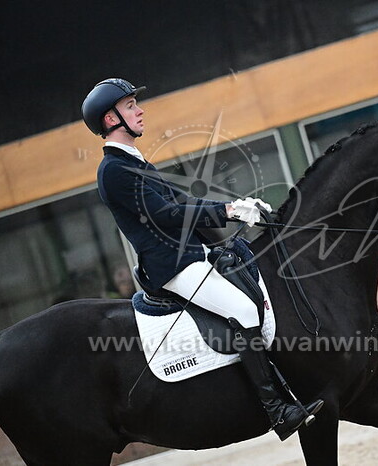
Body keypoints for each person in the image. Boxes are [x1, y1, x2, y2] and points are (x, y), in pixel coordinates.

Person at [81, 78, 322, 440]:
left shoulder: (133, 161)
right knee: (244, 310)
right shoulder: (114, 170)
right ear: (111, 119)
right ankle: (277, 410)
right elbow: (164, 214)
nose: (140, 111)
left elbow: (183, 203)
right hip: (173, 266)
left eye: (135, 104)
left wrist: (236, 207)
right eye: (130, 106)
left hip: (192, 254)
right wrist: (227, 211)